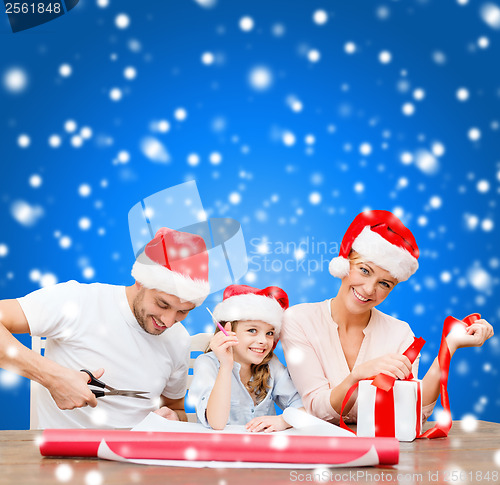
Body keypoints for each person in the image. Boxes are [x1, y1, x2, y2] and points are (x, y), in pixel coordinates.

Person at [281, 210, 494, 425]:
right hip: (320, 451)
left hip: (384, 453)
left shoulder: (399, 333)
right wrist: (358, 376)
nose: (369, 289)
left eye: (385, 283)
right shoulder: (298, 320)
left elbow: (413, 413)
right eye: (364, 270)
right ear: (346, 263)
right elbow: (317, 409)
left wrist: (450, 346)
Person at [0, 227, 210, 428]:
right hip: (65, 457)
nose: (168, 321)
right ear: (140, 281)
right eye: (162, 304)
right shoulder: (77, 301)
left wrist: (174, 417)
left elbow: (175, 408)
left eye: (183, 311)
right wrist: (53, 377)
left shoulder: (178, 339)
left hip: (137, 458)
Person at [190, 285, 304, 432]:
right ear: (227, 330)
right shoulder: (207, 364)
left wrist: (284, 420)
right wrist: (226, 366)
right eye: (252, 330)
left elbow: (304, 408)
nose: (263, 340)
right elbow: (217, 423)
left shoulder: (271, 364)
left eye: (269, 333)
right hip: (220, 450)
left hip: (261, 450)